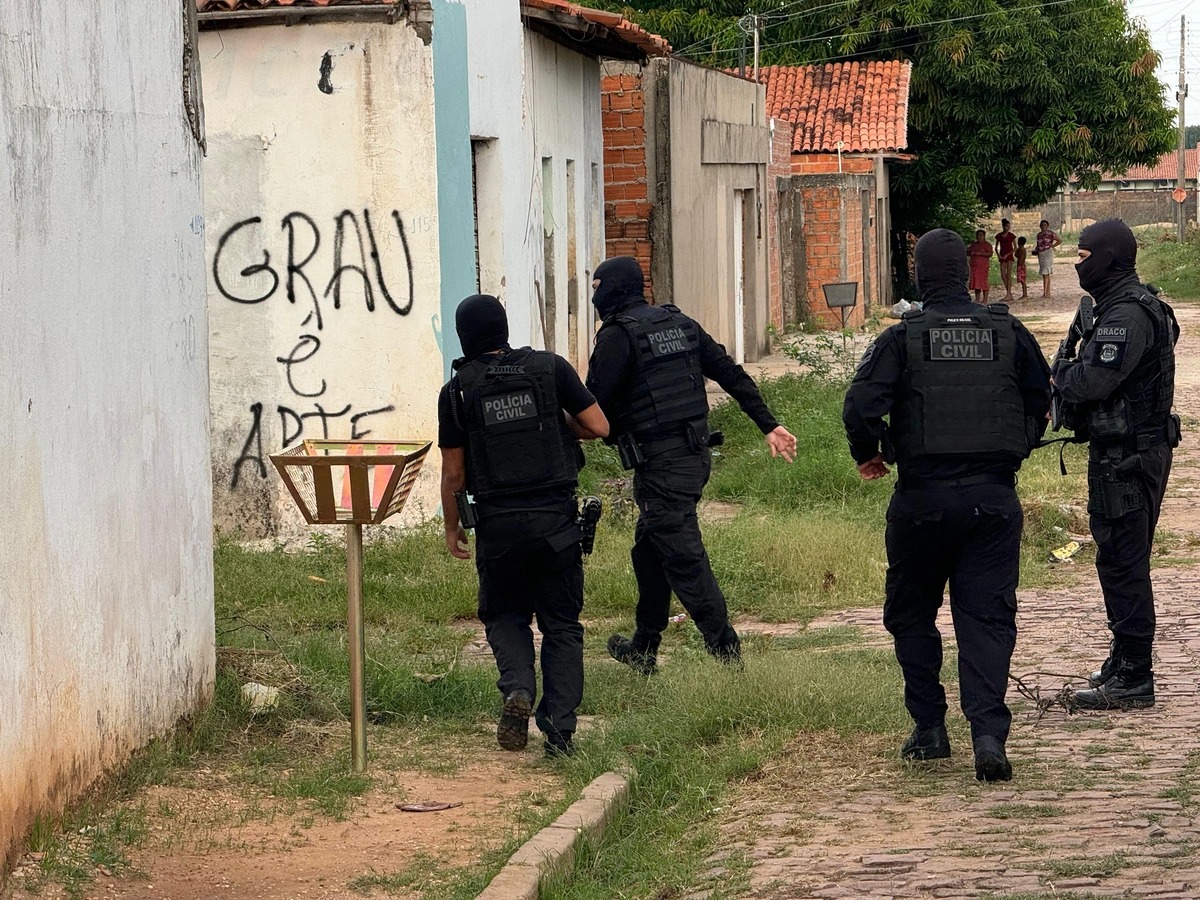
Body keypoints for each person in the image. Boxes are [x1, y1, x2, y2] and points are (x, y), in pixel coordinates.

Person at [843, 228, 1052, 782]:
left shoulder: (901, 338)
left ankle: (930, 730)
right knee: (986, 618)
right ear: (965, 272)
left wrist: (870, 453)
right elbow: (1042, 397)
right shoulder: (1008, 332)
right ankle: (988, 735)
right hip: (993, 499)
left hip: (922, 499)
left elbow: (860, 405)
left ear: (919, 275)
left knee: (912, 613)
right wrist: (1018, 445)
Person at [583, 257, 797, 674]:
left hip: (663, 466)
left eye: (597, 287)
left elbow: (594, 404)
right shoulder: (678, 323)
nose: (594, 296)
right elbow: (731, 374)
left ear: (612, 289)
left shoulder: (617, 336)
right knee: (649, 552)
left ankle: (727, 655)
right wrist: (768, 425)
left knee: (685, 561)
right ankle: (644, 647)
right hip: (693, 458)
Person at [438, 294, 610, 757]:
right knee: (561, 624)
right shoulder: (551, 368)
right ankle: (560, 733)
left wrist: (453, 527)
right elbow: (599, 426)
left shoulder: (456, 392)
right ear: (504, 328)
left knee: (504, 614)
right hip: (556, 521)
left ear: (464, 336)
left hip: (497, 526)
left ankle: (517, 688)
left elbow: (454, 473)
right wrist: (557, 424)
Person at [1052, 219, 1180, 710]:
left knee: (1124, 562)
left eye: (1083, 256)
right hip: (1127, 452)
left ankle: (1134, 674)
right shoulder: (1124, 307)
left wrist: (1060, 371)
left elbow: (1092, 382)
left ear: (1106, 258)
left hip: (1128, 457)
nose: (1077, 264)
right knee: (1121, 558)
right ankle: (1123, 658)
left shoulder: (1125, 315)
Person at [1035, 220, 1062, 298]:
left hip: (1048, 253)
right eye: (1042, 225)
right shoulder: (1039, 235)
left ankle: (1045, 293)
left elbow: (1059, 240)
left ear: (1047, 226)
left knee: (1046, 271)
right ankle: (1047, 291)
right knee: (1045, 273)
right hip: (1041, 254)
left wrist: (1052, 246)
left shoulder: (1050, 234)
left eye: (1045, 225)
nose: (1043, 227)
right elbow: (1038, 244)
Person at [994, 219, 1018, 301]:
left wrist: (1008, 254)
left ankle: (1008, 293)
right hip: (1002, 256)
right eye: (1006, 226)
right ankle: (1009, 292)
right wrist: (999, 255)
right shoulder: (999, 236)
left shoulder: (1011, 236)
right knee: (1003, 275)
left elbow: (1015, 247)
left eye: (1009, 226)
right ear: (1003, 226)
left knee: (1008, 275)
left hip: (1009, 256)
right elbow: (996, 247)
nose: (1007, 228)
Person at [967, 229, 993, 303]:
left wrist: (980, 253)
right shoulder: (974, 245)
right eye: (978, 235)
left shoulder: (987, 245)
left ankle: (985, 299)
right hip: (975, 267)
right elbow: (968, 252)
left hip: (983, 267)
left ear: (984, 236)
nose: (979, 237)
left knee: (984, 282)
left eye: (981, 235)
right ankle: (977, 299)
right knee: (976, 283)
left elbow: (990, 254)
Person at [1015, 236, 1029, 300]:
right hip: (1021, 266)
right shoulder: (1021, 249)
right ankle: (1024, 293)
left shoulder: (1022, 250)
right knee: (1022, 281)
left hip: (1021, 266)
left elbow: (1018, 257)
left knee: (1023, 281)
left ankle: (1025, 294)